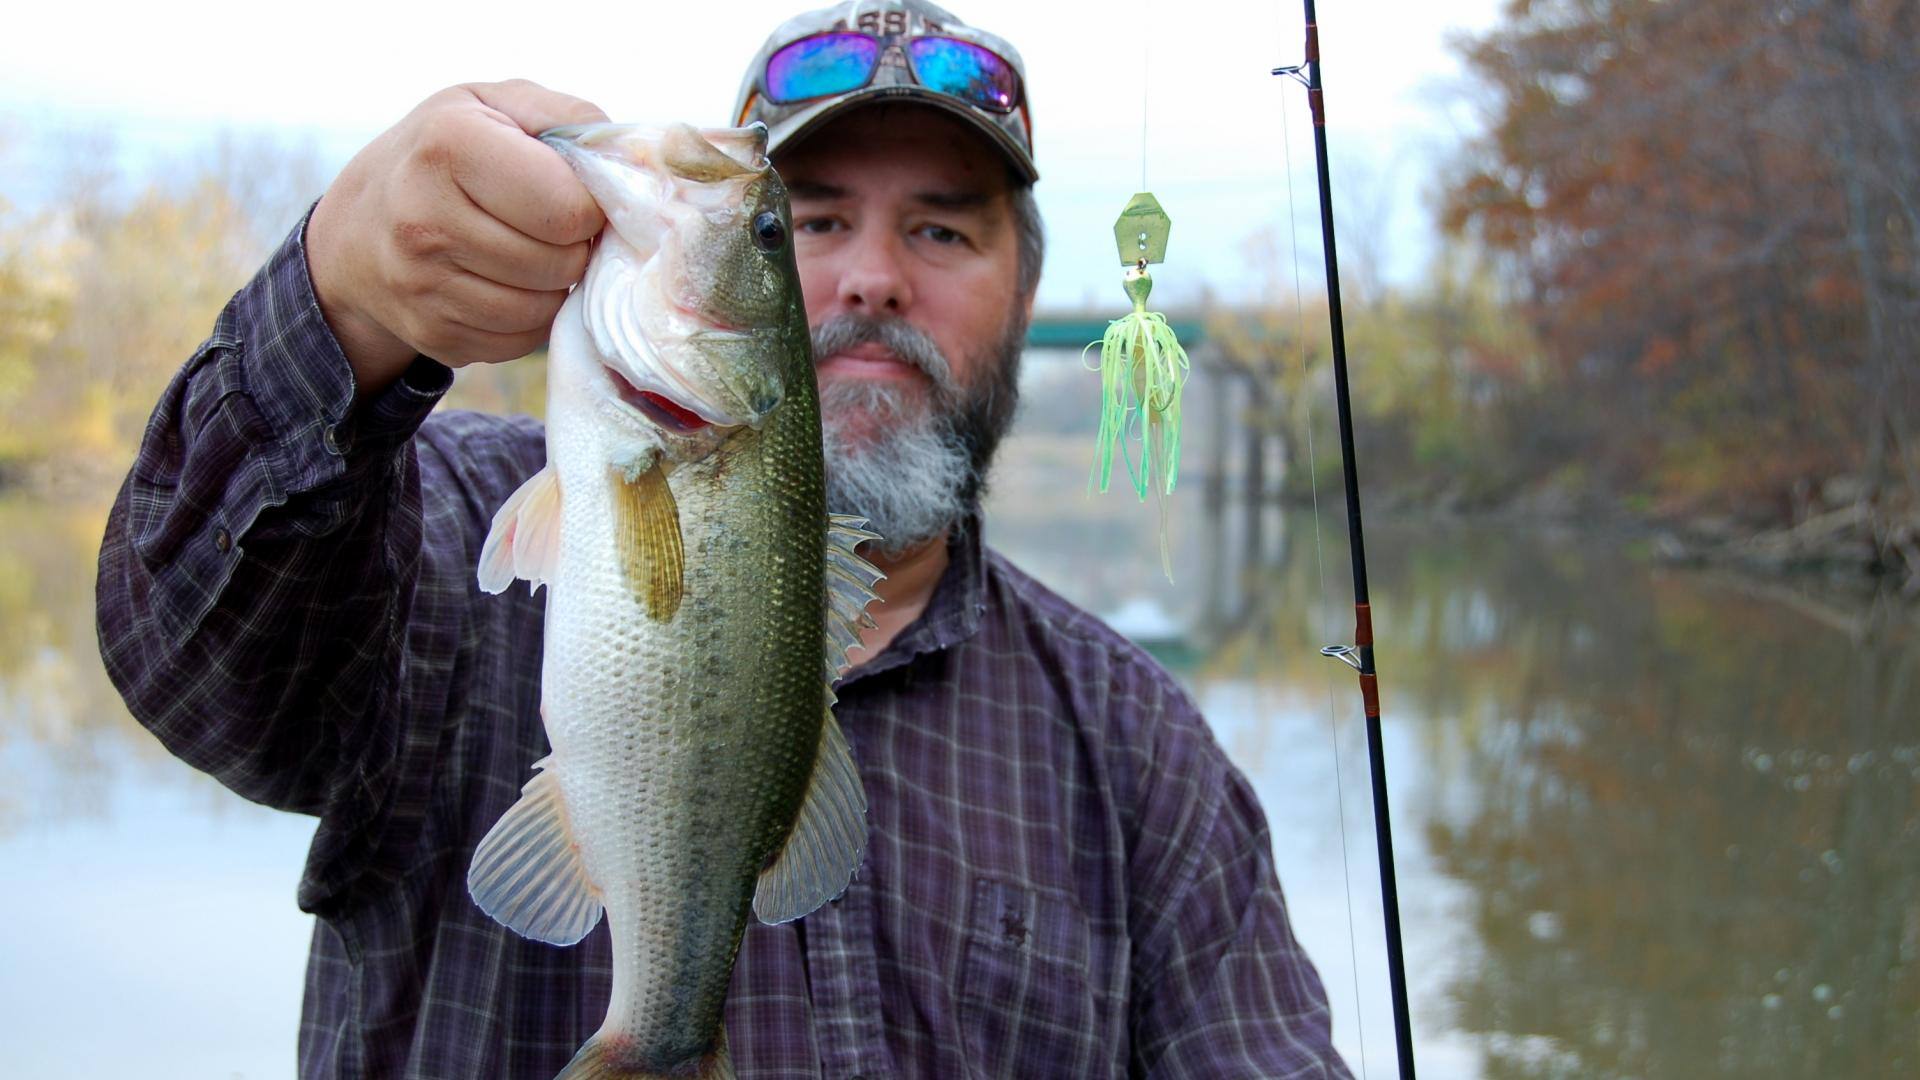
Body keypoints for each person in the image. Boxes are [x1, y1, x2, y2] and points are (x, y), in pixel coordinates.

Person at [95, 1, 1351, 1076]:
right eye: (801, 223)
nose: (870, 278)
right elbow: (189, 656)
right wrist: (343, 300)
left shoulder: (1142, 752)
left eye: (944, 229)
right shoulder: (436, 530)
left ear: (1025, 291)